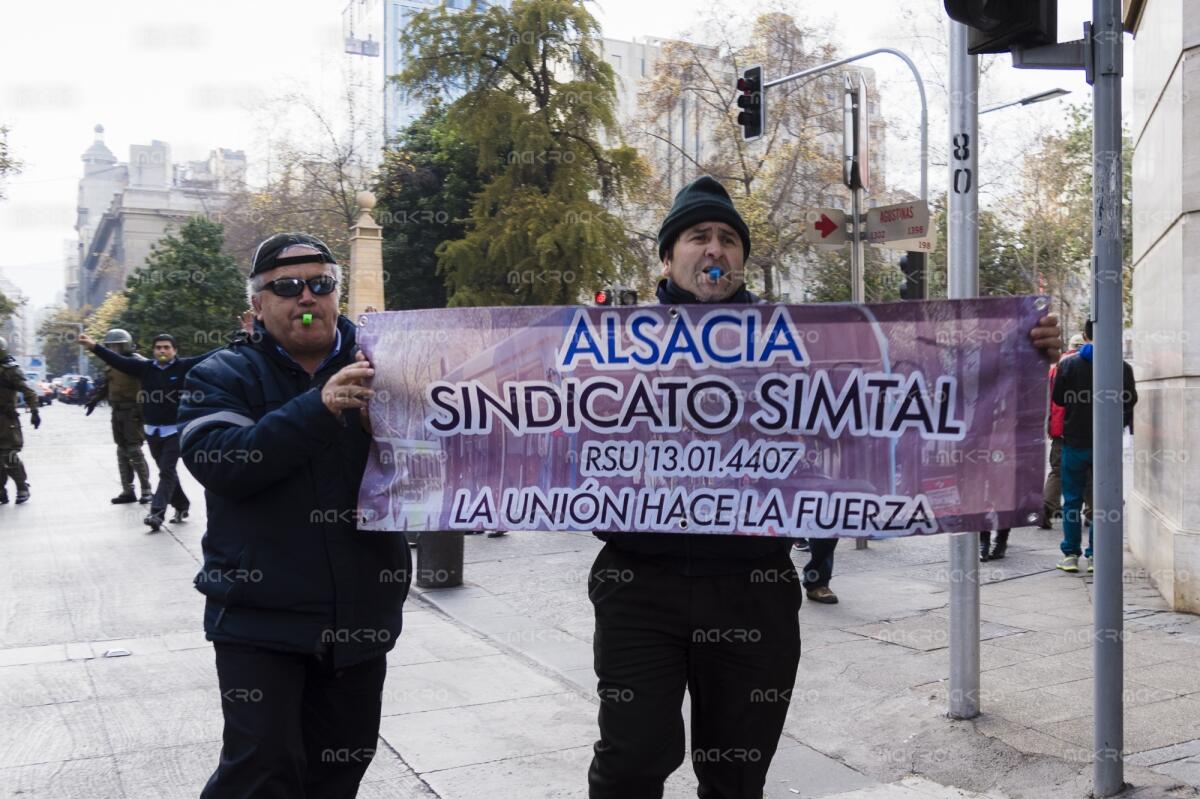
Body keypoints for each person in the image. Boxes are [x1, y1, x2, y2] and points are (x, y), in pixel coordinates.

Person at [586, 176, 1064, 798]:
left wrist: (1020, 354)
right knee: (632, 760)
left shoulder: (796, 343)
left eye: (729, 239)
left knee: (737, 771)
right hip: (638, 587)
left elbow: (898, 389)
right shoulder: (608, 344)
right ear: (668, 255)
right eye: (698, 236)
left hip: (752, 588)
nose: (715, 250)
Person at [178, 232, 411, 797]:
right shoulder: (220, 375)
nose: (306, 298)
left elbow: (457, 453)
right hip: (260, 621)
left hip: (360, 617)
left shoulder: (397, 364)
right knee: (260, 772)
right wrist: (320, 406)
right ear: (257, 306)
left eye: (321, 285)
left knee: (338, 771)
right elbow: (225, 462)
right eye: (286, 287)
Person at [78, 331, 215, 530]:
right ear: (153, 350)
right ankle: (182, 504)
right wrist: (94, 346)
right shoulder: (145, 368)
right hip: (152, 431)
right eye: (158, 347)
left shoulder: (183, 367)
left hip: (175, 431)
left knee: (166, 471)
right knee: (166, 472)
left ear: (174, 351)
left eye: (166, 347)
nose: (162, 350)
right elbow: (116, 360)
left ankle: (156, 513)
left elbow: (211, 356)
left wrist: (244, 337)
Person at [1051, 320, 1137, 574]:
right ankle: (1095, 556)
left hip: (1074, 443)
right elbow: (1130, 401)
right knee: (1102, 504)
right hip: (1106, 447)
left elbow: (1057, 398)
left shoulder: (1068, 364)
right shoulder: (1121, 367)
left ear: (1085, 334)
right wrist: (1116, 423)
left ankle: (1070, 554)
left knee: (1072, 501)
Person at [84, 329, 154, 504]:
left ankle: (146, 489)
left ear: (126, 344)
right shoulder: (112, 364)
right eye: (111, 346)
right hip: (117, 411)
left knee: (134, 451)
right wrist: (95, 399)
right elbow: (108, 385)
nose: (114, 349)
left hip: (133, 412)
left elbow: (153, 385)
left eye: (118, 345)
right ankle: (127, 490)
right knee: (121, 451)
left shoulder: (137, 363)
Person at [0, 336, 40, 504]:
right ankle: (1, 491)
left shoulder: (11, 370)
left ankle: (22, 486)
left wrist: (34, 411)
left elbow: (28, 391)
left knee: (9, 456)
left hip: (5, 420)